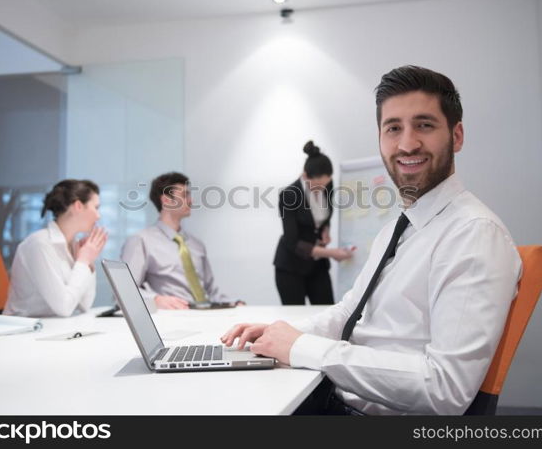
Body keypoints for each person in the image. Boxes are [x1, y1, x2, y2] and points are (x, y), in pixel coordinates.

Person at [221, 66, 522, 415]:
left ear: (456, 136)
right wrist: (280, 334)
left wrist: (302, 347)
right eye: (393, 128)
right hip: (337, 395)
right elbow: (350, 312)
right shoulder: (398, 228)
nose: (407, 143)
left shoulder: (473, 234)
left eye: (424, 125)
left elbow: (446, 389)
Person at [121, 172, 240, 310]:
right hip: (173, 318)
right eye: (184, 195)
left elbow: (211, 291)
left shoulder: (197, 245)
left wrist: (234, 303)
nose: (191, 201)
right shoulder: (141, 241)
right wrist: (155, 299)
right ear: (166, 200)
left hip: (207, 315)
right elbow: (124, 292)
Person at [4, 179, 107, 317]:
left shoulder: (73, 246)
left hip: (53, 328)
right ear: (78, 206)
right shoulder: (40, 244)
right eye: (96, 207)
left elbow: (85, 304)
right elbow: (64, 307)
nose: (98, 215)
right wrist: (83, 261)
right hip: (23, 331)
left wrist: (88, 263)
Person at [274, 141, 354, 305]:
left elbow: (323, 214)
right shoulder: (289, 195)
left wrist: (326, 229)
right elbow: (292, 241)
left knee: (327, 311)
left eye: (324, 185)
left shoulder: (327, 184)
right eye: (316, 187)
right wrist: (332, 253)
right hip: (291, 266)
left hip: (317, 266)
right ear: (305, 176)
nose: (321, 190)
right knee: (296, 320)